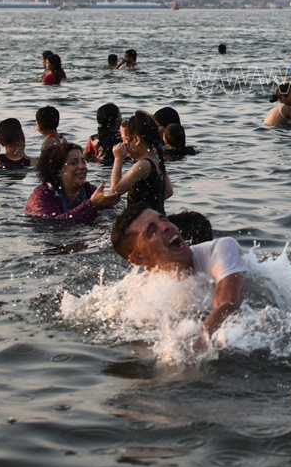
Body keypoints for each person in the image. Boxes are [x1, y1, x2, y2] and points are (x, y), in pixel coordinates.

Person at [110, 204, 248, 337]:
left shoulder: (220, 249)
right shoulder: (141, 291)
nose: (166, 226)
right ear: (138, 258)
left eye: (163, 219)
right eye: (151, 230)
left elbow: (228, 304)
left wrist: (201, 339)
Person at [26, 141, 120, 222]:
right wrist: (91, 204)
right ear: (58, 171)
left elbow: (109, 215)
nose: (82, 167)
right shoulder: (42, 196)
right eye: (74, 163)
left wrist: (108, 203)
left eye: (83, 162)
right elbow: (54, 223)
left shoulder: (88, 190)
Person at [111, 110, 172, 214]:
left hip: (142, 222)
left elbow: (115, 190)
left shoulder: (143, 165)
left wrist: (118, 159)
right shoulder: (157, 160)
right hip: (158, 217)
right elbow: (168, 191)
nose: (123, 144)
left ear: (136, 140)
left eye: (124, 140)